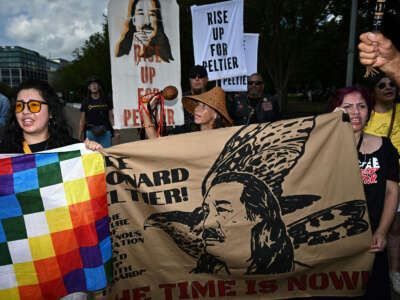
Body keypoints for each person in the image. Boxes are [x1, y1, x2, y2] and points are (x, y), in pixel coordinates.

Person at [329, 85, 399, 300]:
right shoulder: (326, 147)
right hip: (335, 239)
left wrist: (381, 231)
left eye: (361, 106)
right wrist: (330, 126)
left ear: (369, 110)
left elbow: (391, 191)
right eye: (347, 107)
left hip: (371, 240)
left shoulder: (385, 147)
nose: (355, 112)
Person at [363, 72, 400, 293]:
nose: (388, 87)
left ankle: (394, 271)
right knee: (373, 229)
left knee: (395, 229)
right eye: (382, 85)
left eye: (392, 84)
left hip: (397, 182)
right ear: (373, 91)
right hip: (375, 183)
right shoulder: (365, 116)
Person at [0, 80, 101, 153]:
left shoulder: (72, 150)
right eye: (19, 106)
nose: (25, 111)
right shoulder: (4, 152)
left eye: (34, 105)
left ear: (51, 112)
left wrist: (96, 154)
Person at [142, 86, 232, 138]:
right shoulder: (186, 132)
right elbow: (156, 143)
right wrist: (145, 111)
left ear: (215, 115)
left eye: (203, 106)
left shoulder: (223, 138)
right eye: (197, 104)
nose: (197, 109)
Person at [168, 65, 209, 135]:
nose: (197, 79)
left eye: (200, 76)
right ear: (189, 80)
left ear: (207, 79)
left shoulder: (213, 100)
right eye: (193, 76)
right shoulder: (180, 100)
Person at [78, 76, 115, 148]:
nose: (94, 86)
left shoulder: (106, 100)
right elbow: (82, 120)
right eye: (91, 84)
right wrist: (80, 135)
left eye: (96, 84)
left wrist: (116, 130)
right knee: (91, 156)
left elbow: (111, 117)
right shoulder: (86, 101)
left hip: (105, 132)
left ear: (99, 87)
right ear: (89, 88)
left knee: (105, 155)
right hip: (90, 133)